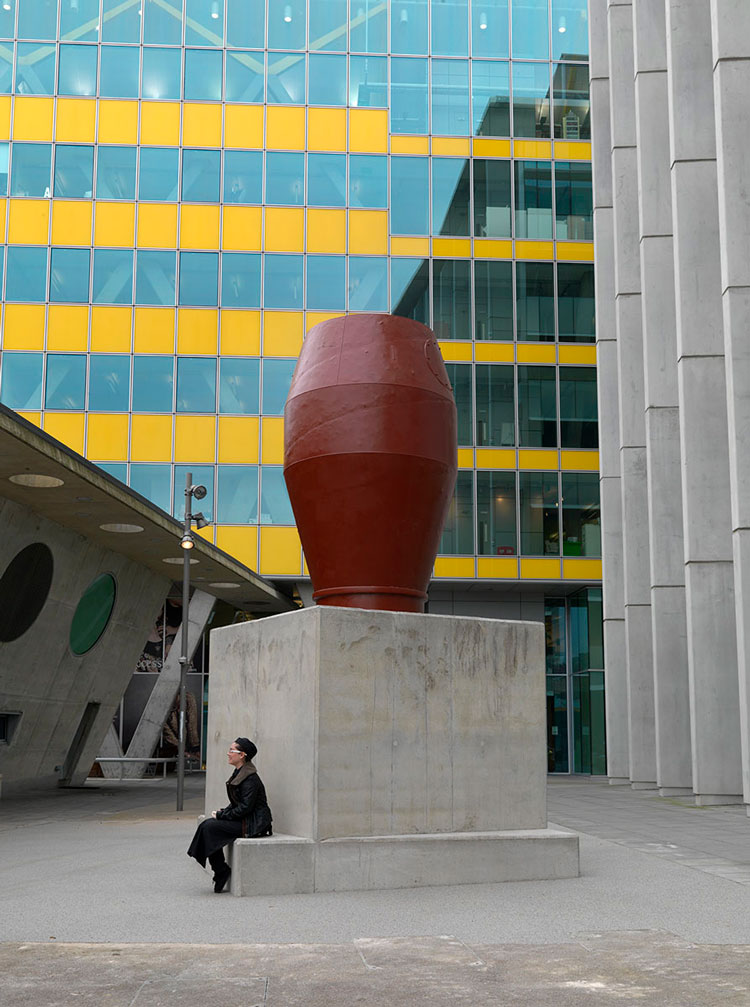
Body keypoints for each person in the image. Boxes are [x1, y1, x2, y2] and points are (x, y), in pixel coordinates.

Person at [187, 737, 272, 893]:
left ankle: (221, 871)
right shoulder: (240, 773)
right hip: (245, 820)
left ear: (242, 755)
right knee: (207, 825)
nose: (228, 753)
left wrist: (222, 816)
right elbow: (237, 804)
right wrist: (222, 813)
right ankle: (220, 870)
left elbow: (245, 808)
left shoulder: (250, 779)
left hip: (253, 824)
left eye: (232, 750)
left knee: (210, 828)